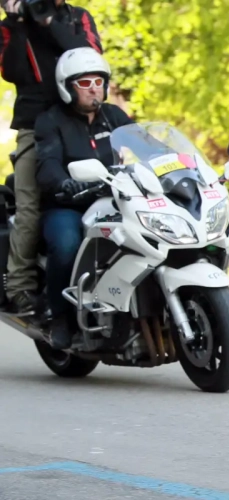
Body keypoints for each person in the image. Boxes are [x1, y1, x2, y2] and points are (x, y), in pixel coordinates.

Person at [0, 0, 103, 315]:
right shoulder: (10, 26)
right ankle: (19, 288)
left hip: (80, 120)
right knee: (30, 207)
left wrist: (49, 23)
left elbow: (90, 58)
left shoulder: (78, 18)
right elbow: (12, 71)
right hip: (34, 124)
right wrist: (17, 22)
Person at [34, 47, 132, 349]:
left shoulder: (114, 116)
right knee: (66, 244)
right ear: (67, 87)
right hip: (68, 205)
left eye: (98, 82)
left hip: (114, 201)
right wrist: (64, 183)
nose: (94, 89)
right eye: (85, 83)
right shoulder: (50, 120)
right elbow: (47, 164)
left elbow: (144, 146)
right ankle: (60, 317)